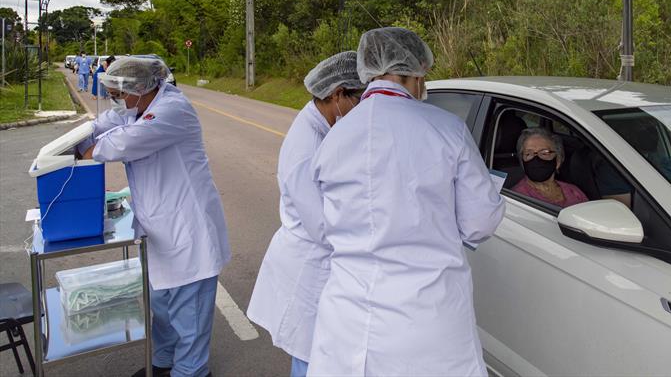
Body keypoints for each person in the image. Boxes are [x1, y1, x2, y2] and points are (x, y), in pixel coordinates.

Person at [307, 27, 505, 376]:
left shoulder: (334, 138)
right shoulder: (445, 128)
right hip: (425, 316)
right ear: (417, 73)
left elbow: (327, 223)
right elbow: (481, 220)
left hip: (347, 317)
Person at [77, 56, 230, 377]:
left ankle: (191, 372)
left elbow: (123, 142)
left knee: (190, 316)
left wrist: (87, 150)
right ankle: (162, 363)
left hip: (190, 231)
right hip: (160, 228)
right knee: (161, 307)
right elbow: (108, 123)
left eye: (122, 92)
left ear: (141, 88)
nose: (119, 99)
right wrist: (81, 136)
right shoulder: (139, 108)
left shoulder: (174, 110)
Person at [247, 51, 364, 377]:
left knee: (317, 355)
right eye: (359, 98)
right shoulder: (307, 144)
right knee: (312, 358)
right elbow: (321, 225)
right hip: (308, 267)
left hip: (315, 262)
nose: (362, 107)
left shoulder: (321, 122)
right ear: (338, 93)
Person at [512, 127, 588, 207]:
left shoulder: (573, 191)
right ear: (522, 161)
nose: (536, 159)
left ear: (558, 160)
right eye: (529, 154)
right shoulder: (517, 198)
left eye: (544, 153)